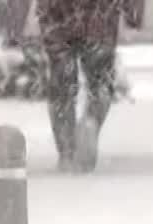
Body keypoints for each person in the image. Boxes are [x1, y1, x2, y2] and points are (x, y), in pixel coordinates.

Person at [7, 0, 144, 172]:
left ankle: (66, 153)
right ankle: (91, 121)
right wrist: (133, 16)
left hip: (56, 13)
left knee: (61, 81)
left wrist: (18, 21)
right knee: (100, 79)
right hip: (101, 13)